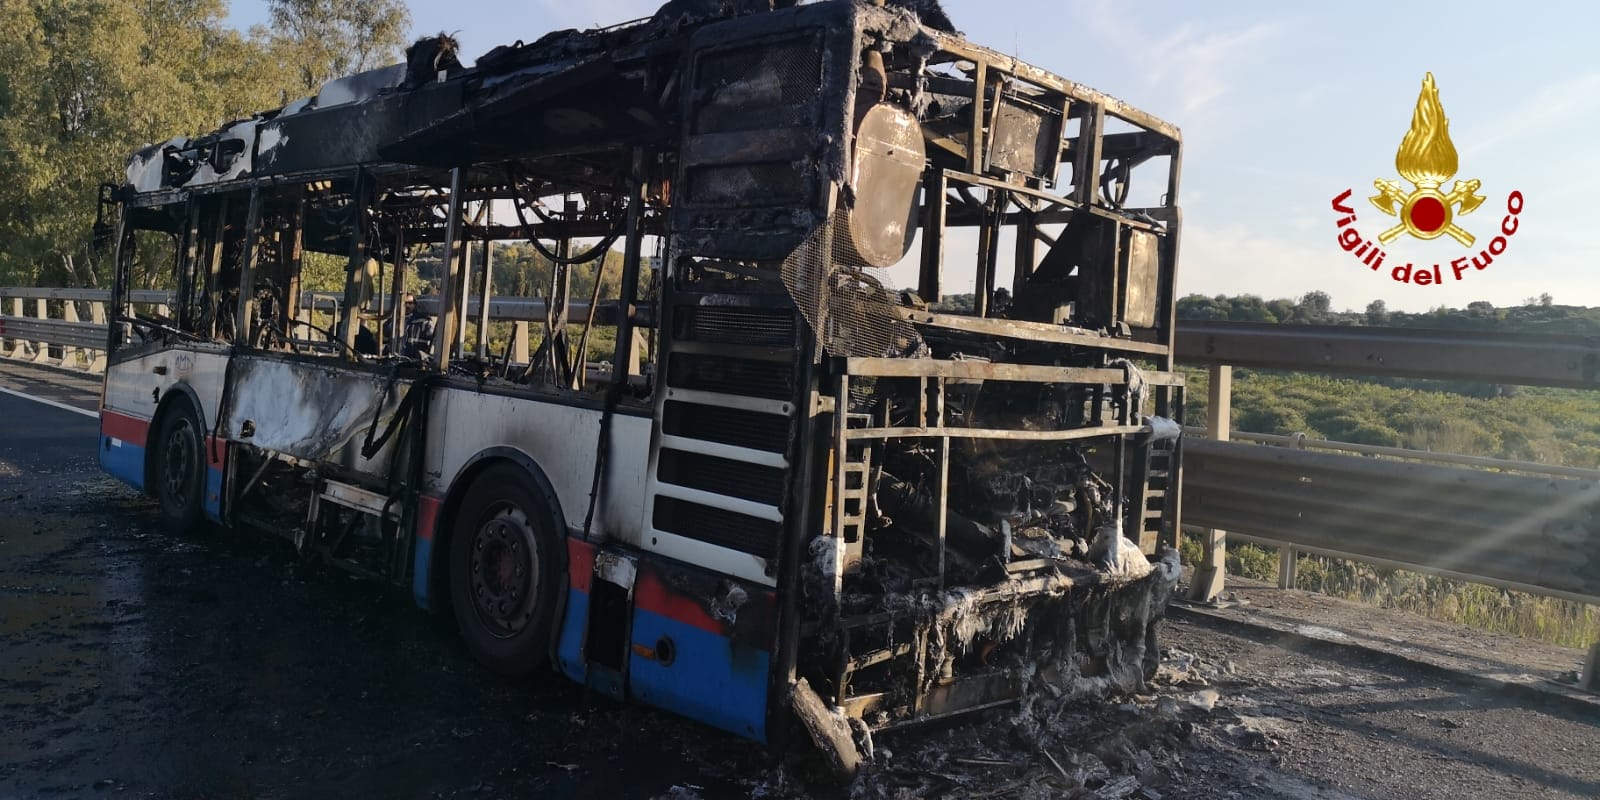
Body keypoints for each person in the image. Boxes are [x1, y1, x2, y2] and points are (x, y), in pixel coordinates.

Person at [399, 293, 435, 359]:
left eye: (410, 303)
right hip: (397, 361)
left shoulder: (424, 321)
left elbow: (435, 342)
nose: (407, 305)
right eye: (405, 303)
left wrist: (424, 356)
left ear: (415, 305)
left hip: (417, 363)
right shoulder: (395, 320)